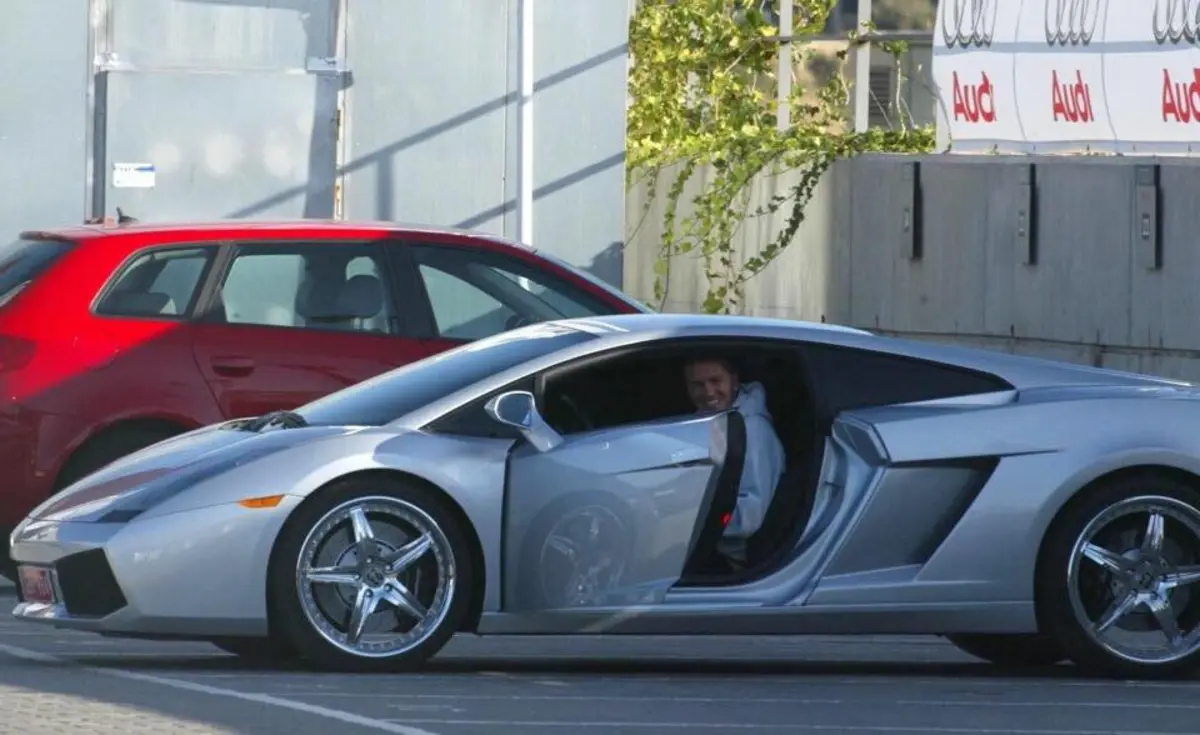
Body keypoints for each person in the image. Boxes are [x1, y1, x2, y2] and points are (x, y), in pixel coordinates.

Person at [683, 357, 786, 570]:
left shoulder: (754, 431)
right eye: (698, 385)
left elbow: (749, 517)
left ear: (734, 381)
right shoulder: (710, 421)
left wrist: (686, 521)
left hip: (731, 558)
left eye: (715, 381)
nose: (708, 392)